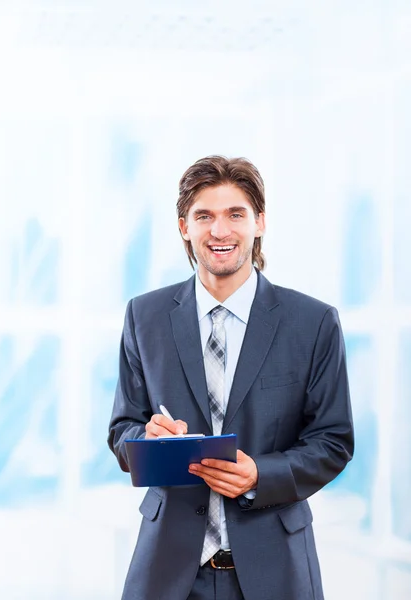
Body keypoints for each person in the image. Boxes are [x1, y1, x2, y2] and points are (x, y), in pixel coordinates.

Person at [108, 155, 354, 600]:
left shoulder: (313, 323)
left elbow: (333, 441)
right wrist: (146, 439)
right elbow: (121, 431)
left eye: (234, 214)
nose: (219, 231)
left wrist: (261, 473)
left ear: (259, 222)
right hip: (168, 569)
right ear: (184, 226)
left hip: (276, 567)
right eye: (204, 216)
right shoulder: (144, 317)